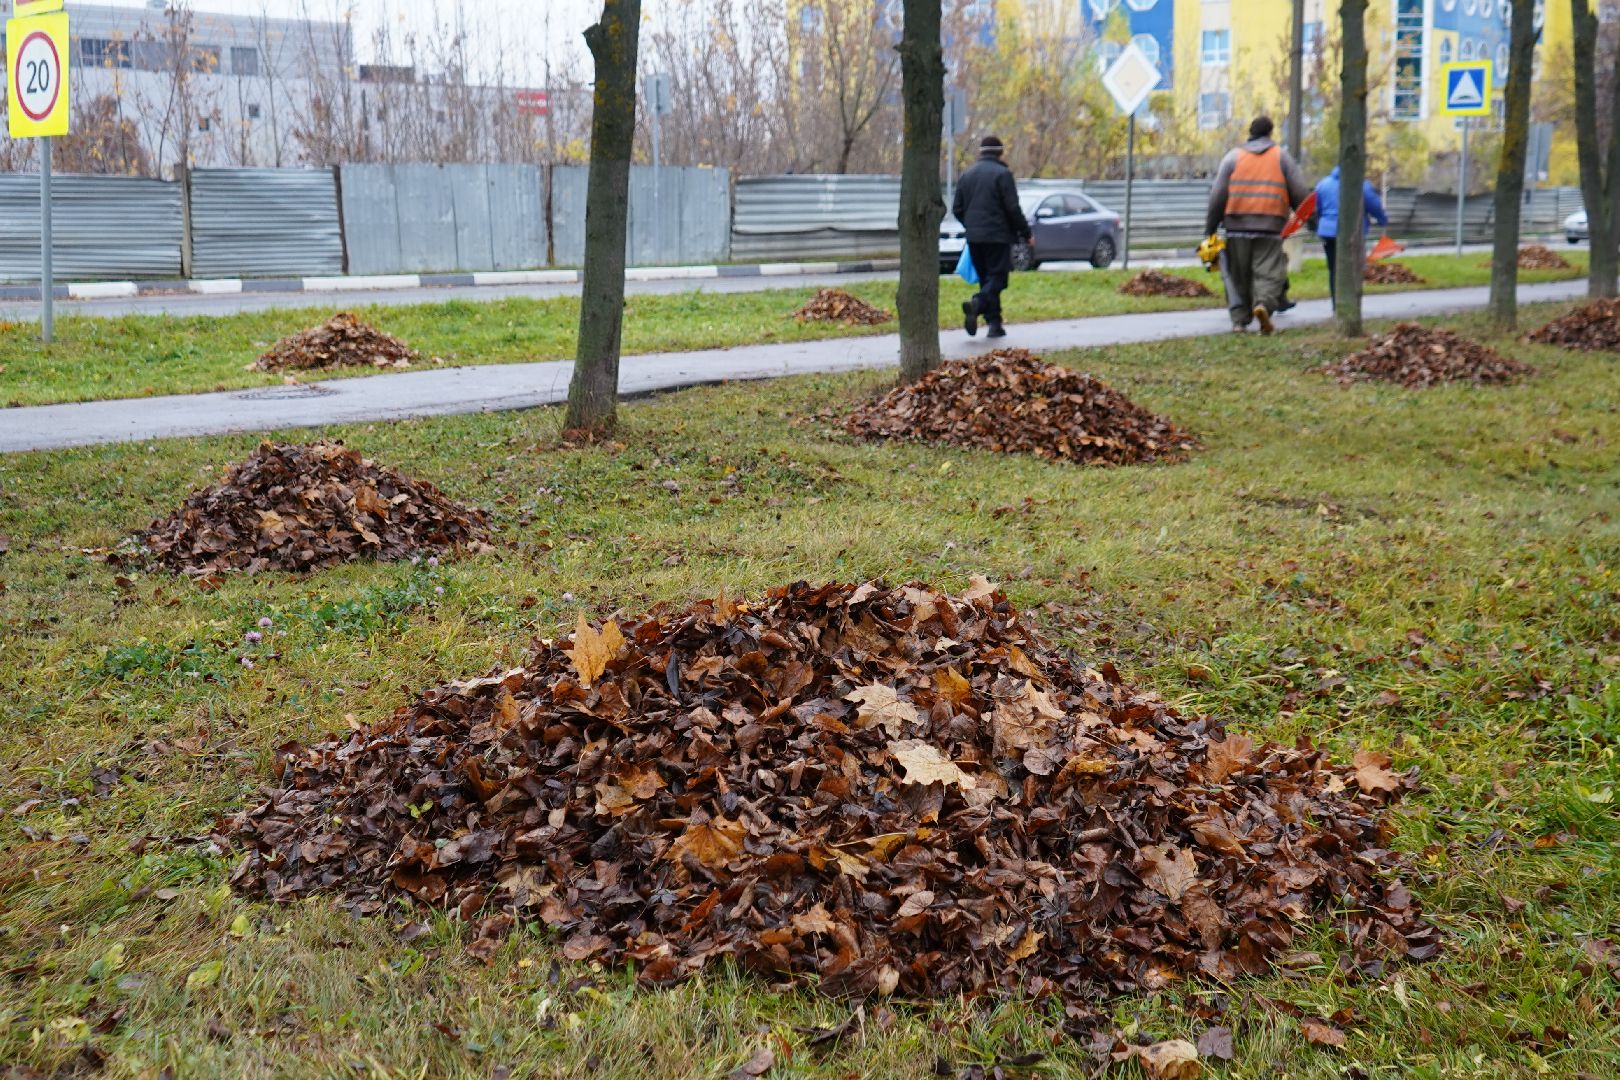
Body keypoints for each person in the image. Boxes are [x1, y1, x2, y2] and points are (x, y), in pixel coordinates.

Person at [1204, 116, 1310, 334]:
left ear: (1249, 132)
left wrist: (1210, 228)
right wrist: (1311, 218)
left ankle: (1239, 321)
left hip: (1236, 227)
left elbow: (1217, 195)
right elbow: (1300, 193)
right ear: (1270, 133)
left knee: (1238, 276)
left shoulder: (1233, 157)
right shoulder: (1281, 157)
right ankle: (1263, 304)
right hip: (1270, 226)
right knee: (1269, 273)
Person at [953, 135, 1033, 339]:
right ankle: (978, 303)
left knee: (986, 280)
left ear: (981, 152)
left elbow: (957, 208)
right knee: (997, 278)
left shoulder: (967, 175)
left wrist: (971, 226)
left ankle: (994, 325)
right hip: (998, 236)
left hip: (974, 237)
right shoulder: (1003, 174)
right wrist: (1026, 233)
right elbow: (1013, 208)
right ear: (1000, 152)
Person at [1314, 165, 1389, 305]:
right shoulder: (1360, 185)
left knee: (1334, 269)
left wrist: (1320, 224)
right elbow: (1374, 205)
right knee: (1353, 269)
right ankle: (1350, 304)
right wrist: (1382, 220)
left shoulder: (1323, 184)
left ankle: (1336, 304)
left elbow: (1316, 208)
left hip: (1327, 233)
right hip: (1352, 233)